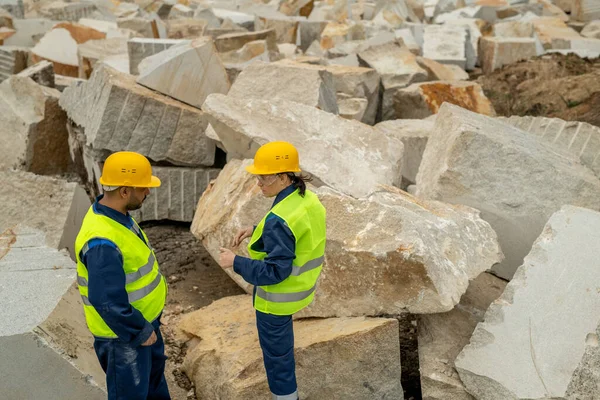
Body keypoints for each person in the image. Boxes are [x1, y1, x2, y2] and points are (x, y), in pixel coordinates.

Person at [219, 141, 326, 400]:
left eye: (263, 177)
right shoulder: (306, 198)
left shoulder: (280, 219)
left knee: (278, 360)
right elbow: (295, 232)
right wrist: (257, 230)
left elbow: (275, 272)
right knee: (282, 352)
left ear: (282, 176)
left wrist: (235, 262)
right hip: (301, 289)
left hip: (276, 301)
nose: (258, 183)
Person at [74, 151, 170, 400]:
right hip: (124, 338)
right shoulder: (102, 243)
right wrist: (139, 330)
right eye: (143, 188)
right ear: (125, 191)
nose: (147, 192)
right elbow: (106, 301)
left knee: (154, 387)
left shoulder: (118, 217)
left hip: (143, 325)